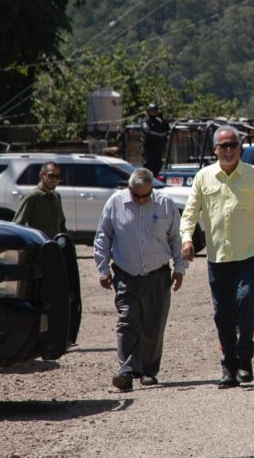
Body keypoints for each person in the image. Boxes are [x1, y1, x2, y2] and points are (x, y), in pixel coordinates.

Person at [179, 126, 254, 389]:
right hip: (218, 257)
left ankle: (245, 358)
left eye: (232, 145)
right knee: (222, 313)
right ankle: (229, 366)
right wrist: (187, 238)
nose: (227, 150)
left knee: (245, 302)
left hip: (246, 253)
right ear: (215, 149)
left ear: (240, 148)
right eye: (222, 146)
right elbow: (190, 213)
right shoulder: (203, 177)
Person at [94, 168, 186, 391]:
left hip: (158, 275)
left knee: (153, 325)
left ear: (152, 190)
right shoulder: (115, 203)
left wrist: (180, 268)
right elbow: (103, 236)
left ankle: (147, 371)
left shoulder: (165, 204)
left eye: (145, 196)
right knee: (127, 321)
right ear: (129, 189)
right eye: (136, 195)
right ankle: (125, 371)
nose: (141, 200)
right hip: (126, 274)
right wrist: (103, 269)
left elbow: (177, 237)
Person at [13, 161, 82, 344]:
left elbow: (61, 226)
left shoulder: (56, 197)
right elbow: (18, 225)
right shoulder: (32, 197)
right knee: (39, 296)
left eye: (58, 177)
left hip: (56, 254)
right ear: (42, 176)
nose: (54, 180)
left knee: (59, 295)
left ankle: (58, 335)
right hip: (39, 254)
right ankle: (36, 337)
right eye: (51, 176)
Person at [141, 103, 170, 177]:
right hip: (148, 149)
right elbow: (148, 132)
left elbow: (167, 129)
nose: (153, 112)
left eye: (155, 110)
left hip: (157, 148)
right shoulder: (146, 121)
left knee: (157, 167)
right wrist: (160, 136)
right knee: (148, 168)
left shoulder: (158, 121)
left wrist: (163, 119)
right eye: (152, 110)